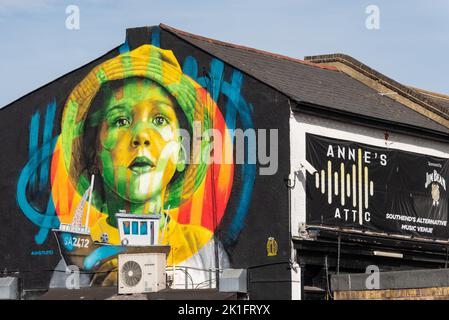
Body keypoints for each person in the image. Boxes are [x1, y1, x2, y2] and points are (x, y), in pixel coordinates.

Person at [50, 44, 231, 287]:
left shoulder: (205, 249)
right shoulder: (75, 263)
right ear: (93, 154)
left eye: (159, 119)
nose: (141, 136)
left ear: (181, 152)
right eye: (121, 120)